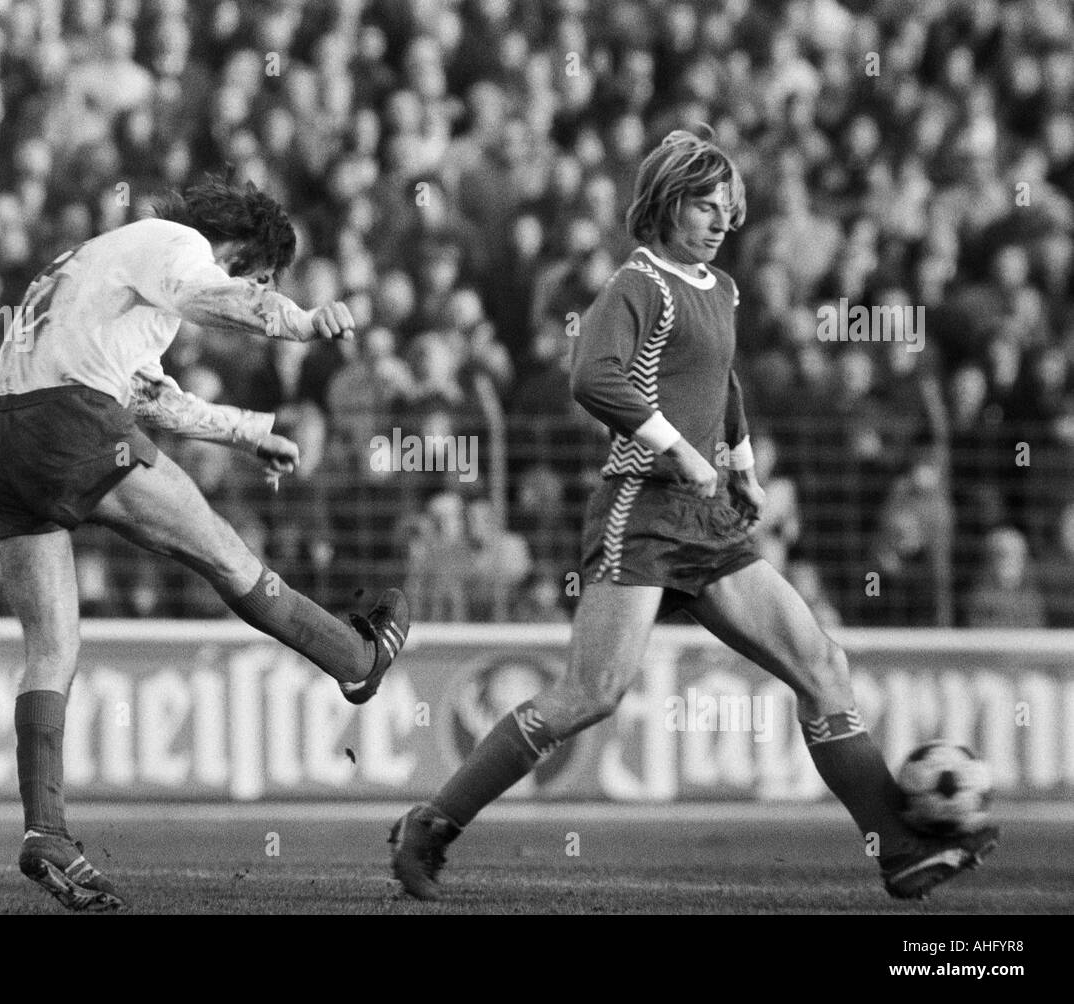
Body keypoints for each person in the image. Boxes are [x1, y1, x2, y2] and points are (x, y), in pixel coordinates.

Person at [389, 129, 997, 903]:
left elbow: (723, 382)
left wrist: (739, 466)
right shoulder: (639, 283)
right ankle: (432, 826)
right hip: (641, 510)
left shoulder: (720, 288)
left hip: (708, 518)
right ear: (667, 204)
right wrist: (677, 448)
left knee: (824, 668)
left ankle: (900, 851)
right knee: (590, 694)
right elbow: (592, 376)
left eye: (727, 208)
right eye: (705, 206)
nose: (720, 221)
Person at [0, 172, 409, 911]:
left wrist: (251, 432)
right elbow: (211, 296)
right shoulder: (177, 246)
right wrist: (294, 321)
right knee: (223, 552)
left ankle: (45, 832)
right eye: (264, 277)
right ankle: (355, 660)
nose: (260, 288)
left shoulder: (100, 259)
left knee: (50, 650)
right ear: (246, 252)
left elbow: (147, 396)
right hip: (70, 422)